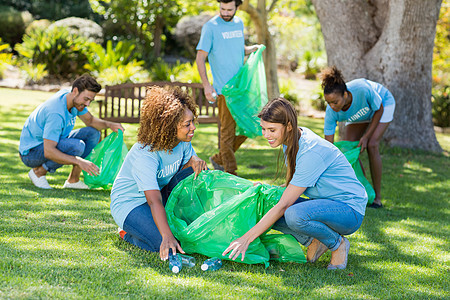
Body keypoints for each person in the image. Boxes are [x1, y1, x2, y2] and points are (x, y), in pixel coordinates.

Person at [223, 98, 368, 270]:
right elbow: (288, 188)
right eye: (263, 129)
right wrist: (265, 190)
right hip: (326, 205)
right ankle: (314, 239)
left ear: (289, 126)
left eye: (272, 130)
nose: (266, 135)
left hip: (349, 211)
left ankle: (338, 244)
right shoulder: (291, 141)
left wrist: (246, 238)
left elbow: (284, 205)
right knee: (267, 201)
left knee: (292, 214)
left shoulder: (310, 152)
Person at [110, 86, 208, 261]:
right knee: (164, 242)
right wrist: (166, 235)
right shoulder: (145, 154)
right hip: (130, 204)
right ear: (169, 126)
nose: (193, 127)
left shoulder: (182, 141)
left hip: (159, 195)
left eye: (192, 121)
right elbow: (153, 201)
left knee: (195, 173)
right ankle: (127, 233)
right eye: (187, 124)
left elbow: (184, 168)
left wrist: (194, 160)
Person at [19, 74, 124, 190]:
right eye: (86, 99)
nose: (87, 104)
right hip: (31, 153)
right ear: (75, 91)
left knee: (93, 133)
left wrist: (109, 124)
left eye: (90, 100)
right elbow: (49, 151)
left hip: (50, 143)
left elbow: (90, 121)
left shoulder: (71, 99)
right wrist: (78, 161)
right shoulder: (56, 113)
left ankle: (73, 180)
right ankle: (39, 173)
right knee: (77, 146)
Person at [196, 0, 258, 176]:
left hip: (241, 88)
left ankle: (218, 158)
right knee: (227, 132)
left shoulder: (239, 23)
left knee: (250, 125)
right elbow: (200, 58)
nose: (225, 13)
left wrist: (252, 49)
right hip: (225, 90)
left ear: (237, 7)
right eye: (222, 9)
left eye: (229, 9)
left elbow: (237, 49)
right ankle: (230, 172)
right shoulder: (211, 27)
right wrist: (207, 86)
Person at [320, 66, 396, 208]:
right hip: (361, 113)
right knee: (349, 148)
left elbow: (379, 110)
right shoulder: (331, 112)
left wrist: (366, 136)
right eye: (328, 103)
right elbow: (329, 146)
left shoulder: (361, 89)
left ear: (345, 94)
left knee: (372, 144)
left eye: (335, 102)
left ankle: (377, 198)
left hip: (383, 104)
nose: (332, 106)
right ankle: (365, 192)